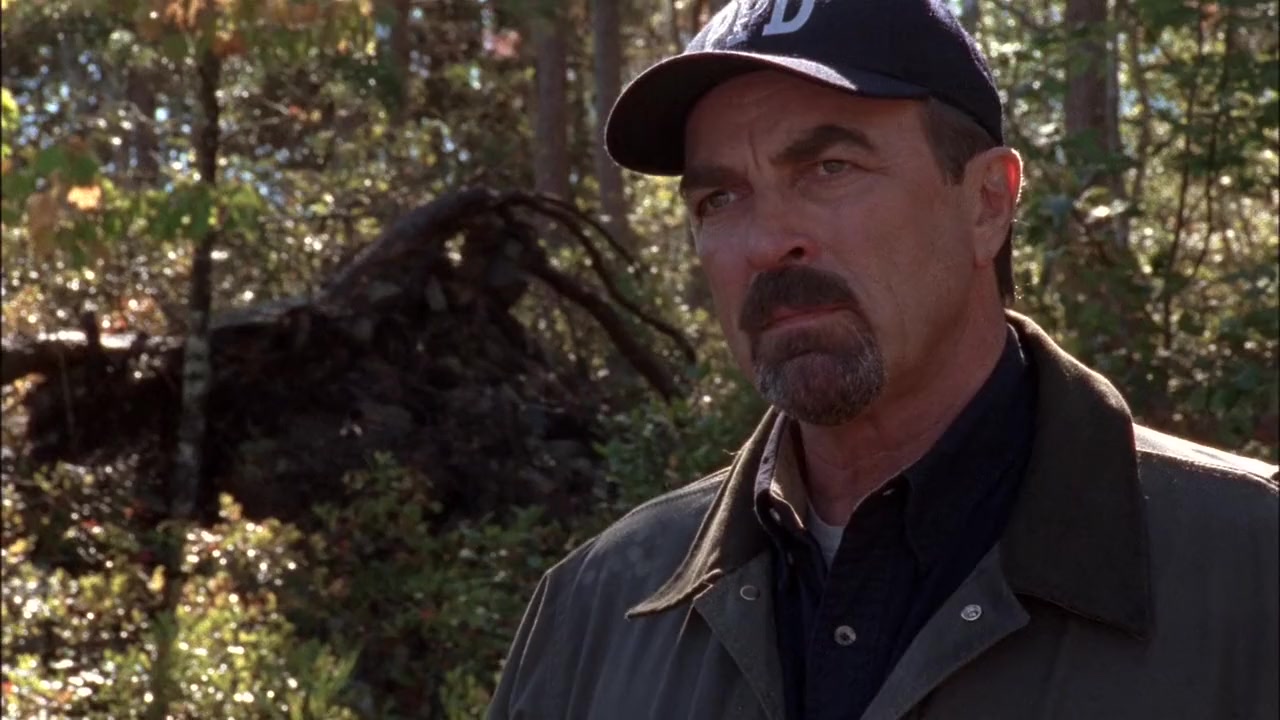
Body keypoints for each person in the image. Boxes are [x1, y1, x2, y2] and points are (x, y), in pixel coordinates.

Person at [488, 1, 1279, 718]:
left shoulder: (1250, 571)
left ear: (988, 203)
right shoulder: (595, 614)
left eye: (829, 169)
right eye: (719, 199)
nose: (766, 242)